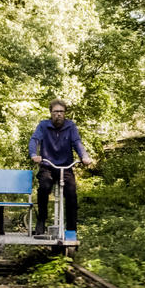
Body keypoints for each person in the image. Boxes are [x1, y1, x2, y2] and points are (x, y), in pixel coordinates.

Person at [29, 100, 93, 235]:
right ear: (51, 113)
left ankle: (71, 229)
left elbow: (77, 142)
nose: (58, 114)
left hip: (66, 167)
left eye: (61, 112)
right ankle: (41, 220)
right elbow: (34, 140)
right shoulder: (43, 126)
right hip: (48, 166)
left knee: (71, 194)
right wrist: (34, 154)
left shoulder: (71, 126)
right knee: (44, 187)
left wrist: (84, 157)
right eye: (55, 111)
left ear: (65, 113)